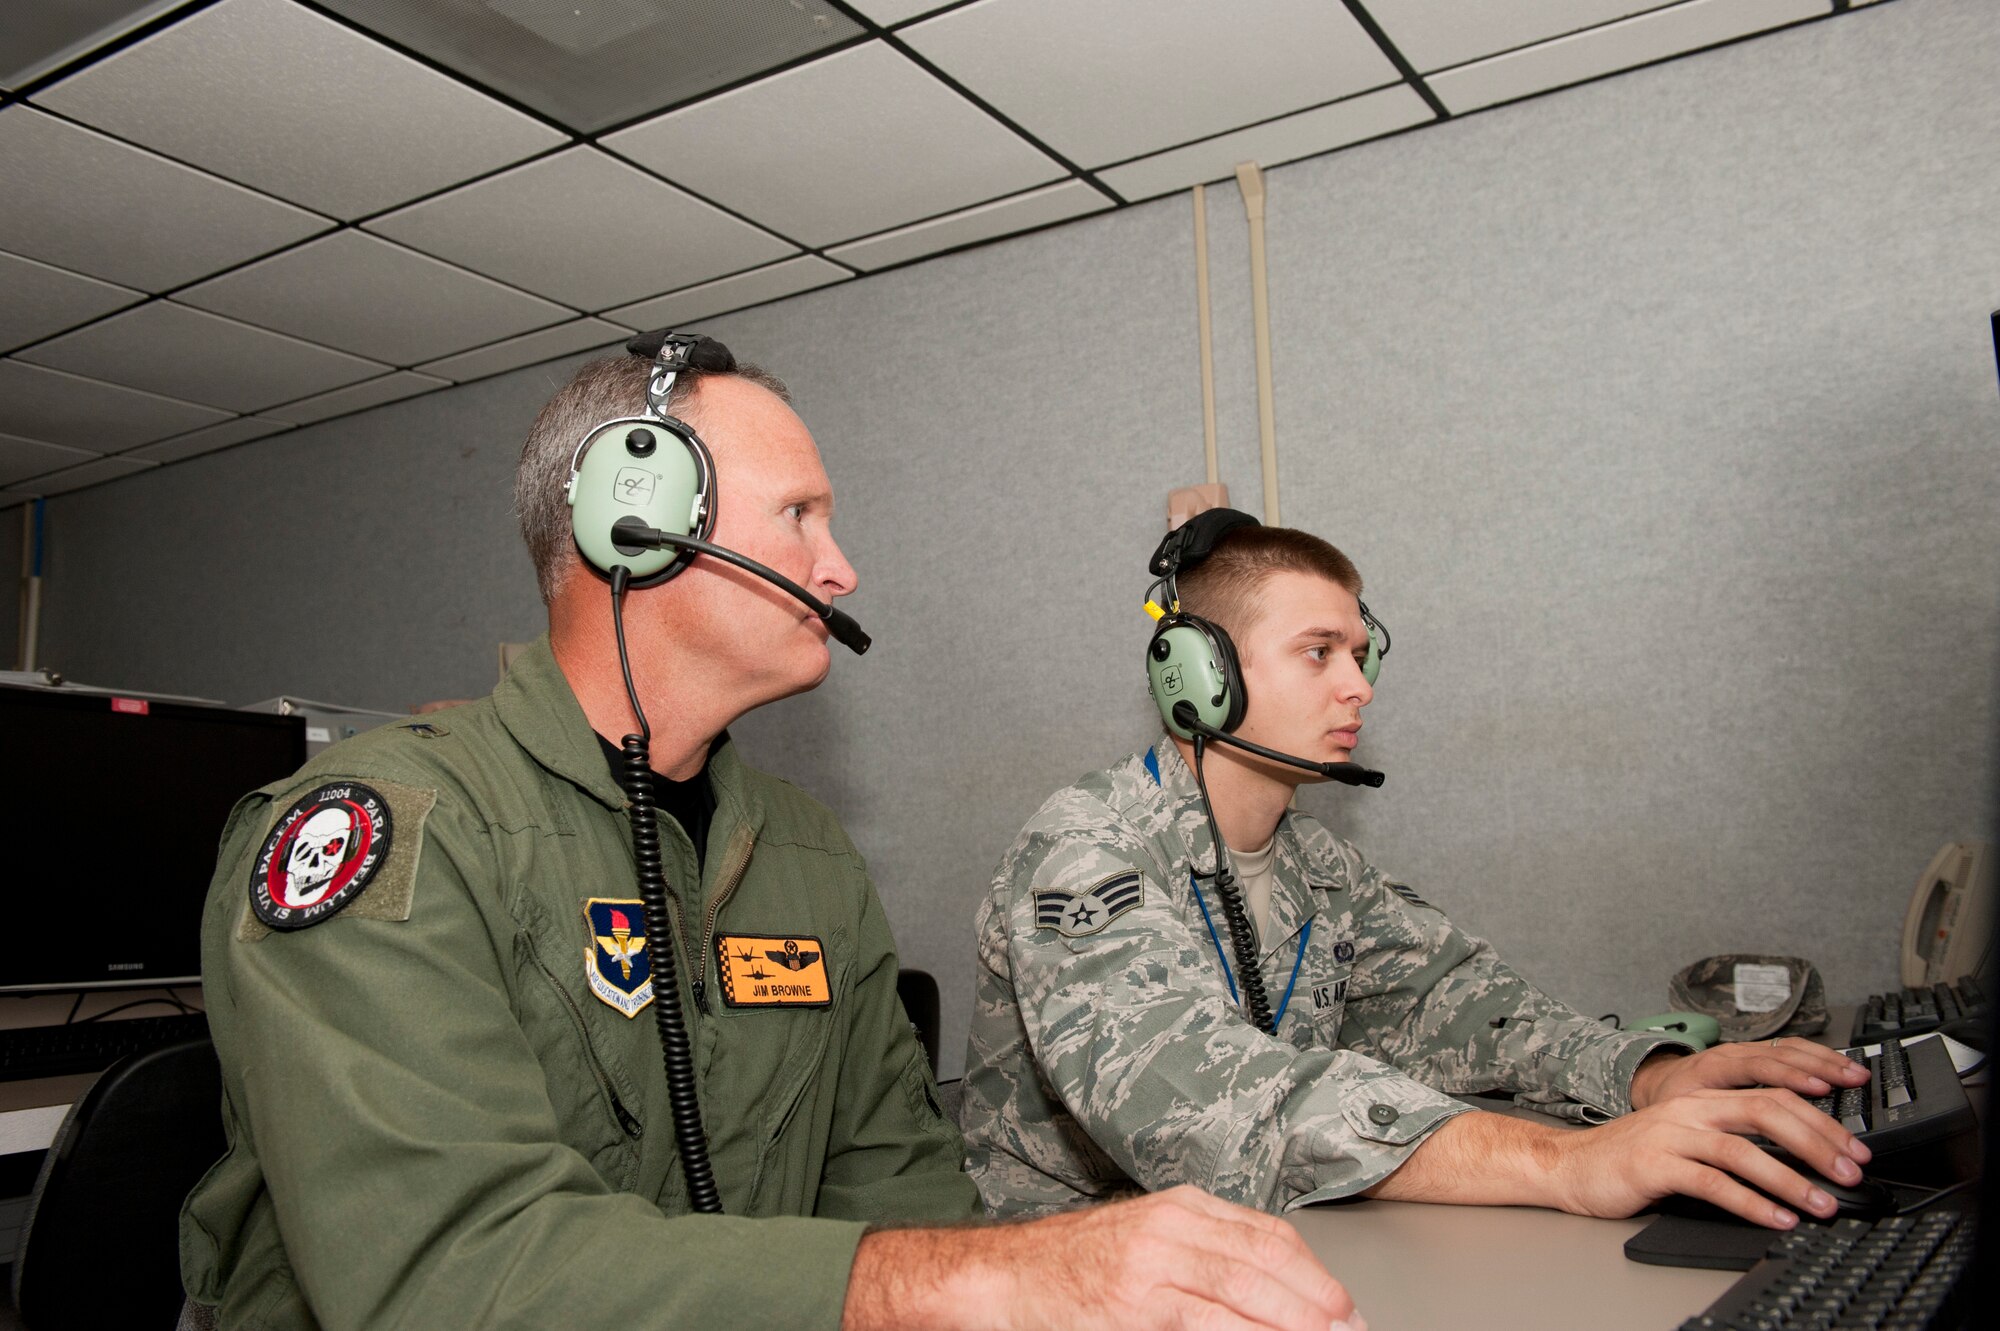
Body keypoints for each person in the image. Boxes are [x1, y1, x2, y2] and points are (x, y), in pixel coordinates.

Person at [179, 342, 1362, 1331]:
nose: (839, 567)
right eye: (797, 516)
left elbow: (893, 1177)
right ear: (628, 518)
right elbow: (447, 1269)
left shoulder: (799, 851)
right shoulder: (390, 834)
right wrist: (984, 1277)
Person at [960, 510, 1874, 1231]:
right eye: (1319, 652)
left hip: (1266, 1235)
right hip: (1074, 1263)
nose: (1357, 685)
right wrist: (1561, 1165)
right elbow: (1189, 1095)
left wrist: (1649, 1077)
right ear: (1199, 672)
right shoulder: (1086, 852)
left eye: (1362, 655)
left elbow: (1470, 1007)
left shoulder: (1318, 865)